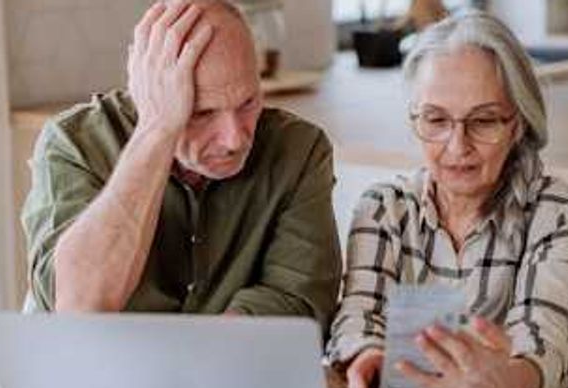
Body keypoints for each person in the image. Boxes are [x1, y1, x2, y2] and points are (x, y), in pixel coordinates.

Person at [326, 11, 568, 388]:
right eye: (436, 120)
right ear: (414, 120)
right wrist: (366, 354)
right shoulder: (384, 208)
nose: (458, 147)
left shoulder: (562, 213)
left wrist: (505, 380)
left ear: (517, 123)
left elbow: (542, 344)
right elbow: (357, 316)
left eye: (484, 121)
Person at [20, 0, 340, 325]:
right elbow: (79, 306)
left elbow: (300, 301)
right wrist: (157, 131)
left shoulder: (300, 150)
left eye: (247, 102)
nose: (235, 139)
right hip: (106, 373)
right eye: (201, 113)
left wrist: (196, 358)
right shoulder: (75, 143)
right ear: (148, 94)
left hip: (235, 370)